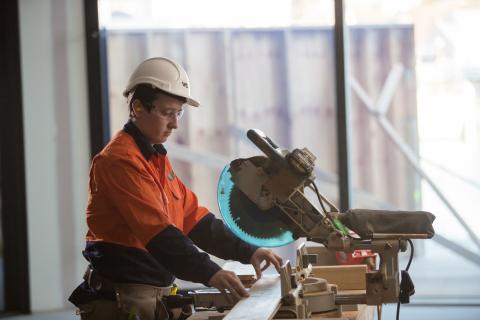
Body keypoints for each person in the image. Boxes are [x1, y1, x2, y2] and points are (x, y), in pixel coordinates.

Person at [68, 57, 283, 320]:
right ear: (137, 107)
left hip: (152, 293)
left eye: (178, 113)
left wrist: (247, 251)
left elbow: (194, 219)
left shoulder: (154, 157)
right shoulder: (120, 161)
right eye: (167, 113)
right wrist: (209, 272)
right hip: (125, 301)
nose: (175, 124)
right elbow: (158, 232)